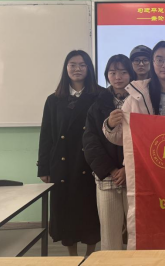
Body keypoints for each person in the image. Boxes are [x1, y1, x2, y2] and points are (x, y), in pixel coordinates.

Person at [38, 50, 102, 257]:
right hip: (62, 164)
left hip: (89, 162)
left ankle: (90, 255)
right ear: (66, 68)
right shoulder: (53, 99)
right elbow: (46, 135)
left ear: (89, 69)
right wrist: (44, 168)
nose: (77, 69)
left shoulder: (100, 95)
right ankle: (72, 257)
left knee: (90, 210)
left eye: (82, 65)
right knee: (65, 211)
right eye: (72, 64)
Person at [104, 41, 165, 146]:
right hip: (146, 155)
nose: (164, 65)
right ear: (153, 63)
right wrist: (110, 125)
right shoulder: (137, 95)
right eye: (159, 60)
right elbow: (123, 138)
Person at [84, 54, 135, 251]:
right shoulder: (97, 104)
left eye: (123, 72)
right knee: (109, 234)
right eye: (113, 72)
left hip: (134, 176)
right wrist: (112, 170)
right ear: (107, 76)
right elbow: (90, 141)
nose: (118, 77)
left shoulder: (140, 101)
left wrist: (127, 169)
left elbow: (146, 139)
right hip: (107, 178)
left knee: (137, 232)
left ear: (131, 74)